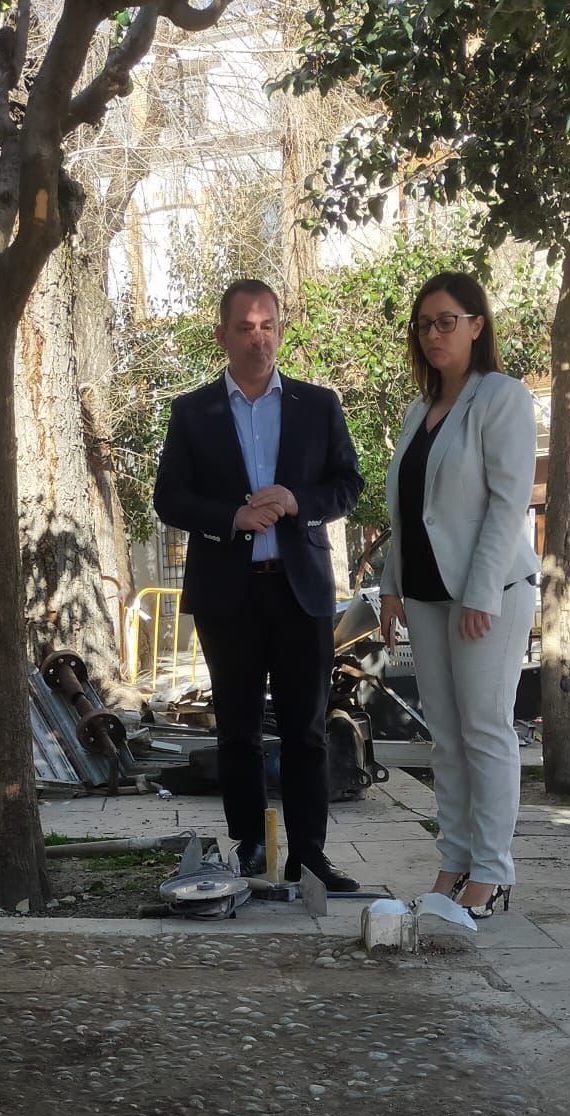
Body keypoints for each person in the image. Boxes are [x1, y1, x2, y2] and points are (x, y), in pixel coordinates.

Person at [154, 279, 365, 891]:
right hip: (229, 594)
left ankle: (310, 855)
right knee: (237, 729)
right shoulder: (193, 412)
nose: (258, 338)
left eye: (268, 325)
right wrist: (231, 517)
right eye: (244, 328)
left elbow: (348, 484)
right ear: (221, 336)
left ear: (281, 328)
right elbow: (169, 497)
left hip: (300, 591)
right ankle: (249, 848)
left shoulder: (317, 405)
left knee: (306, 729)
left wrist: (299, 500)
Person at [378, 271, 541, 916]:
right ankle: (453, 860)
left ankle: (493, 873)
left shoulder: (501, 397)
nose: (434, 334)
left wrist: (481, 593)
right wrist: (391, 586)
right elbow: (408, 512)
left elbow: (507, 504)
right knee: (444, 737)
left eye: (447, 320)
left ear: (477, 325)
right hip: (422, 592)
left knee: (485, 730)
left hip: (487, 592)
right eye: (424, 324)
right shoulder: (419, 412)